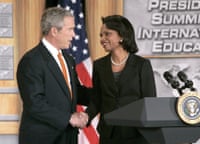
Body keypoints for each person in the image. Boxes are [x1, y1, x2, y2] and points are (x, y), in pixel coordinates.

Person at [17, 7, 90, 144]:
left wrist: (102, 94)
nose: (74, 35)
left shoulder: (68, 59)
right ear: (54, 31)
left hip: (68, 137)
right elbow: (35, 103)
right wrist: (69, 118)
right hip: (43, 139)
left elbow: (73, 93)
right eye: (70, 29)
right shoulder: (31, 61)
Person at [85, 15, 157, 144]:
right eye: (101, 35)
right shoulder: (99, 65)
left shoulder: (142, 65)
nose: (102, 39)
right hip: (109, 134)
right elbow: (97, 99)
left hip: (136, 134)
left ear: (122, 36)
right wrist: (85, 116)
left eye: (107, 34)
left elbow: (150, 102)